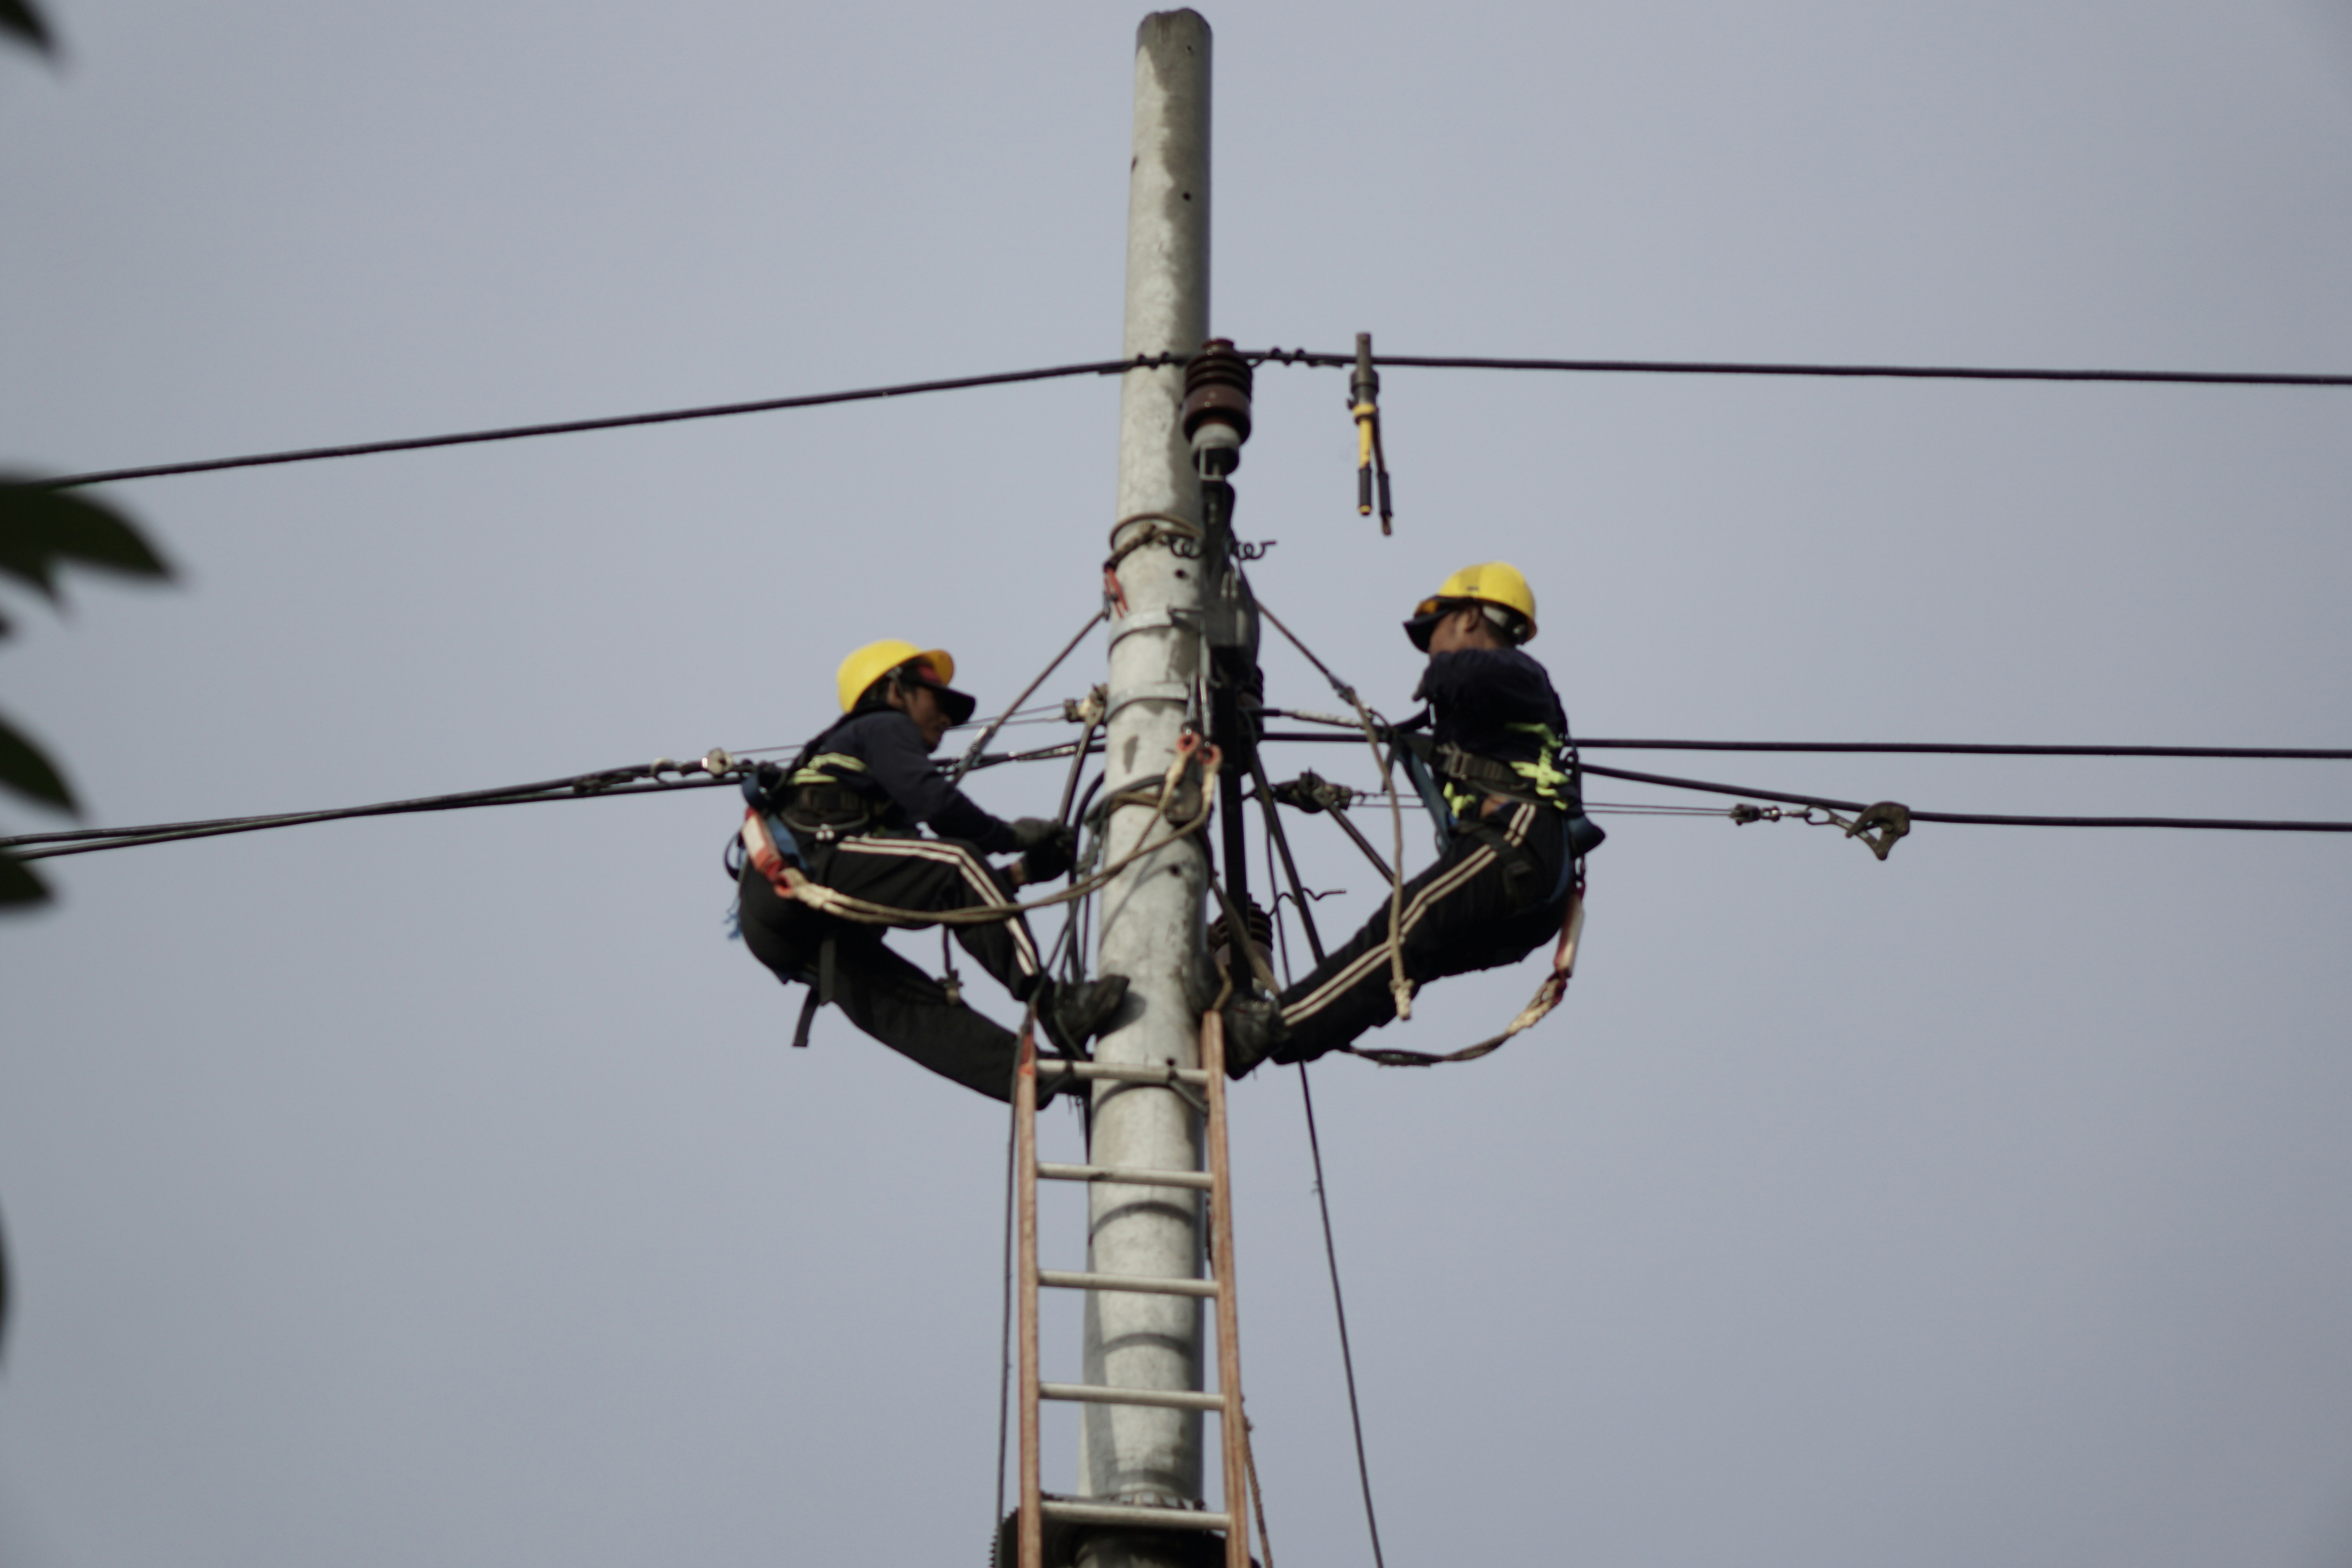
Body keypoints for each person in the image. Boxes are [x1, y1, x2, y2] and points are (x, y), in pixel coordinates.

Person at [1224, 563, 1597, 1074]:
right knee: (1403, 954)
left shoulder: (1518, 673)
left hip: (1520, 842)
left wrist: (1443, 679)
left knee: (1407, 921)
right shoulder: (1503, 703)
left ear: (1469, 617)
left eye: (1439, 630)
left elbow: (1462, 677)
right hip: (1528, 891)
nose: (1433, 648)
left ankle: (1265, 1030)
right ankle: (1274, 1038)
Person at [734, 639, 1126, 1101]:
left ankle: (1049, 1075)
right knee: (958, 858)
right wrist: (1012, 836)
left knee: (916, 1011)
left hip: (781, 923)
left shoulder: (873, 804)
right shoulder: (881, 723)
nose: (947, 720)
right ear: (894, 690)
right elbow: (939, 811)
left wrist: (1021, 872)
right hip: (811, 865)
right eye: (937, 700)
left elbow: (937, 893)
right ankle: (1055, 1005)